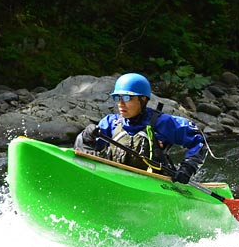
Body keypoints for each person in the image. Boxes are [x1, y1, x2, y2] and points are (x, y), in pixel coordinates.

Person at [74, 73, 206, 184]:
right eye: (117, 98)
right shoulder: (110, 123)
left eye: (126, 98)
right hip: (116, 180)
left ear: (142, 99)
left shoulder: (162, 123)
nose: (120, 103)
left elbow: (198, 141)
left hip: (154, 183)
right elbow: (82, 151)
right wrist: (86, 136)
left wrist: (187, 168)